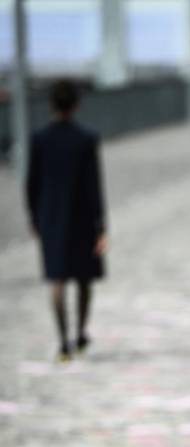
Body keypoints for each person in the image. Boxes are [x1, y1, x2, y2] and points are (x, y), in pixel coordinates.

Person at [26, 79, 106, 361]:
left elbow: (32, 183)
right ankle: (81, 334)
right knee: (84, 279)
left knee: (57, 280)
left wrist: (34, 217)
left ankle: (62, 343)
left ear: (51, 104)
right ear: (76, 104)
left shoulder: (39, 139)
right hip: (82, 217)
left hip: (51, 217)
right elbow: (94, 186)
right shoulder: (86, 139)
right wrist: (101, 227)